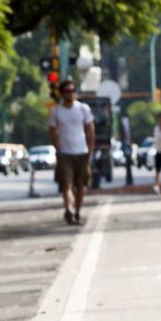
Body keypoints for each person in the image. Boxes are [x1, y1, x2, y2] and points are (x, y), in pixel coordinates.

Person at [48, 77, 96, 225]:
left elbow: (90, 130)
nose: (71, 94)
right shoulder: (56, 111)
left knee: (81, 185)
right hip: (65, 153)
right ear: (62, 94)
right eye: (67, 91)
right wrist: (58, 149)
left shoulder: (83, 108)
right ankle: (68, 209)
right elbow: (52, 132)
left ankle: (77, 211)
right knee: (66, 185)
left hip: (81, 151)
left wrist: (90, 150)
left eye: (73, 91)